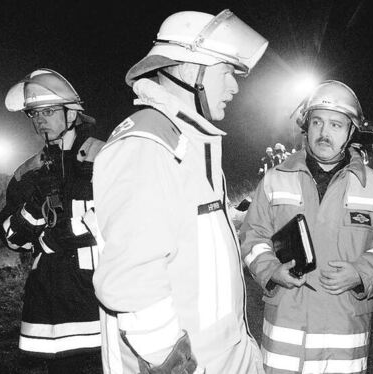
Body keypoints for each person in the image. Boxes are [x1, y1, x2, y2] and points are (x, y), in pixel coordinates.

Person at [91, 10, 268, 374]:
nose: (235, 87)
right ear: (191, 71)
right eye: (227, 73)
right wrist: (175, 366)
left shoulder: (187, 142)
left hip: (222, 358)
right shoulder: (146, 146)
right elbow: (134, 286)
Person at [240, 80, 373, 373]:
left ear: (351, 132)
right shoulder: (275, 179)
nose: (324, 132)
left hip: (342, 338)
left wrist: (360, 272)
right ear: (307, 126)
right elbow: (252, 238)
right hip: (285, 338)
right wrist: (271, 270)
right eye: (317, 122)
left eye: (335, 125)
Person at [0, 68, 104, 373]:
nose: (39, 119)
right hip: (52, 306)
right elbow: (11, 239)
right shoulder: (27, 174)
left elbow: (131, 215)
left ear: (72, 113)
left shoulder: (107, 156)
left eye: (48, 111)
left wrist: (70, 230)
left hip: (103, 298)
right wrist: (33, 208)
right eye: (33, 114)